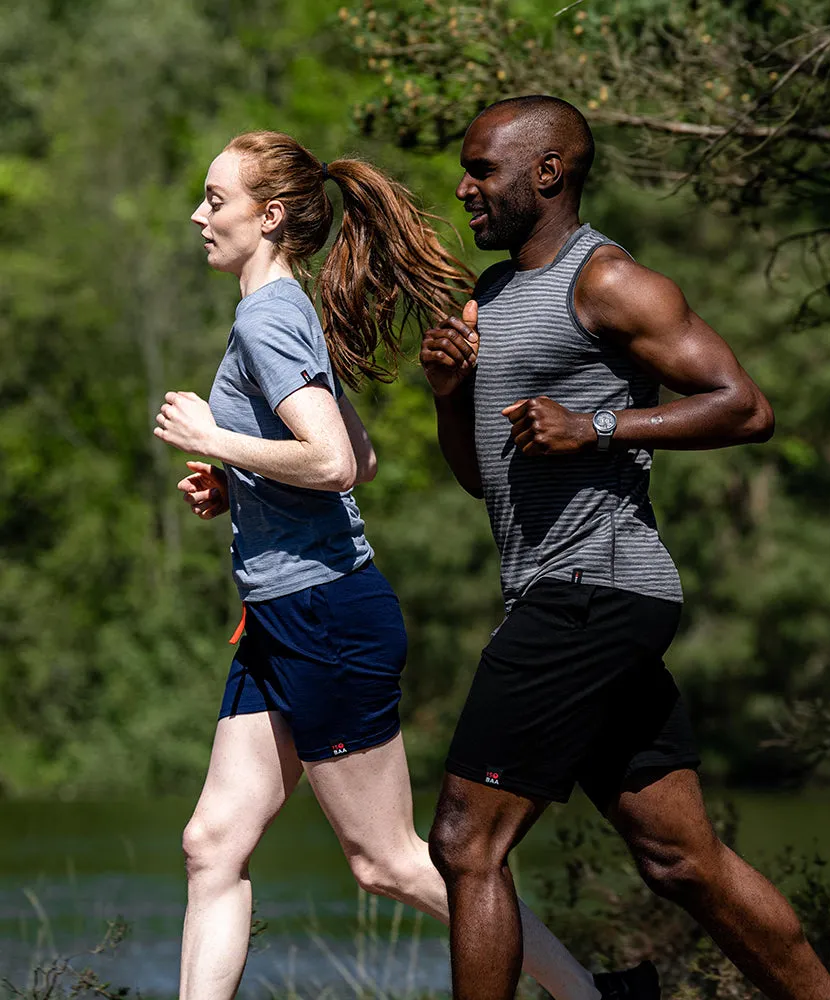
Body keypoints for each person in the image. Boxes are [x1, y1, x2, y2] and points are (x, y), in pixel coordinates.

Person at [153, 129, 641, 1000]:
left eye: (215, 199)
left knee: (387, 862)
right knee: (212, 844)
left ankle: (594, 994)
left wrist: (213, 438)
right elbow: (362, 459)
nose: (199, 215)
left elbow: (335, 463)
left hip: (326, 615)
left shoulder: (269, 318)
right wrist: (240, 483)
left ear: (267, 218)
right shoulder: (284, 308)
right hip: (279, 615)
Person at [420, 96, 830, 1000]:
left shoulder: (609, 281)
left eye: (481, 170)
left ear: (548, 174)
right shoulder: (491, 296)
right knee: (679, 858)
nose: (464, 189)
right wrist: (448, 394)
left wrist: (599, 426)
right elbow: (478, 478)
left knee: (467, 841)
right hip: (573, 591)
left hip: (592, 587)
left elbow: (746, 405)